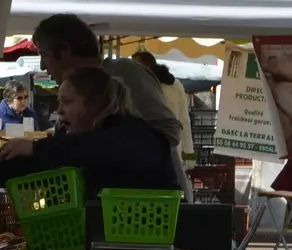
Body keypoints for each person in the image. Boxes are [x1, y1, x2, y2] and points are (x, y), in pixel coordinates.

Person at [0, 66, 180, 196]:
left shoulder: (136, 135)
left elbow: (103, 147)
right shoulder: (74, 143)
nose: (60, 111)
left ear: (96, 103)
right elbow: (22, 168)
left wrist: (37, 146)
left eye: (67, 102)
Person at [33, 14, 187, 196]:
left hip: (149, 206)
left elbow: (167, 131)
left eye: (44, 55)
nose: (43, 66)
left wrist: (109, 148)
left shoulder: (125, 73)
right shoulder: (76, 86)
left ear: (64, 51)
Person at [132, 51, 194, 168]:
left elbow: (184, 121)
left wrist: (189, 157)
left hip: (156, 152)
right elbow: (185, 121)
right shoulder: (175, 86)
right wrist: (189, 156)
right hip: (169, 153)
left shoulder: (142, 87)